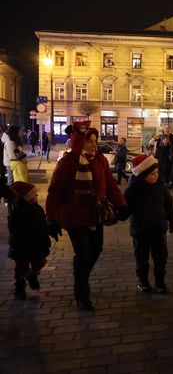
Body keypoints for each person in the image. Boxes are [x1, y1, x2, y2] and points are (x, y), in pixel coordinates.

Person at [45, 121, 128, 310]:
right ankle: (82, 292)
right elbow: (55, 191)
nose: (94, 144)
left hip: (94, 213)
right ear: (78, 141)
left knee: (96, 249)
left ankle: (80, 277)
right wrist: (51, 218)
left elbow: (110, 185)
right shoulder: (67, 162)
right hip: (74, 215)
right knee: (82, 254)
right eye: (89, 141)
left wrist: (121, 205)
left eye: (95, 141)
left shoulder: (100, 160)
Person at [124, 154, 173, 294]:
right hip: (141, 230)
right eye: (152, 174)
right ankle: (143, 281)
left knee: (160, 257)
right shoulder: (132, 190)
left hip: (158, 228)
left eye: (156, 173)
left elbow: (168, 204)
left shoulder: (160, 186)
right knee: (142, 258)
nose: (155, 176)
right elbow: (124, 210)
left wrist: (171, 220)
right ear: (142, 175)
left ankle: (160, 282)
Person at [7, 181, 51, 300]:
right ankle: (20, 287)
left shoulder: (38, 209)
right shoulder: (16, 213)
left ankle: (32, 274)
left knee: (40, 262)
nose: (36, 196)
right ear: (26, 198)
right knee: (21, 267)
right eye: (33, 195)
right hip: (21, 246)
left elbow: (43, 224)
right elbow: (14, 230)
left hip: (37, 244)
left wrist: (49, 229)